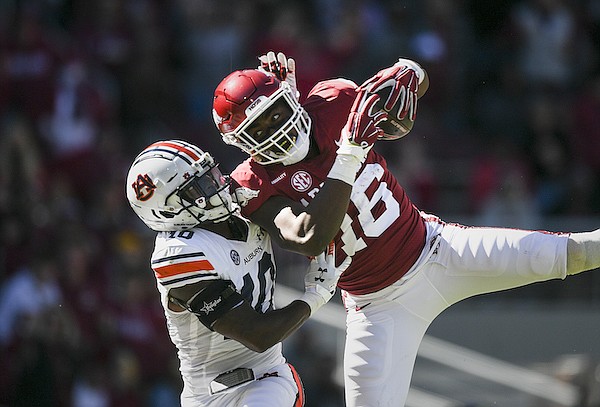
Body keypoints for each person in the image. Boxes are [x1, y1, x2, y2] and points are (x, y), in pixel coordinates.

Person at [211, 52, 600, 406]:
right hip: (376, 306)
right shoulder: (250, 183)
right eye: (258, 128)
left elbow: (412, 79)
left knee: (578, 253)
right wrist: (348, 153)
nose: (274, 130)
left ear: (289, 100)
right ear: (240, 142)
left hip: (438, 248)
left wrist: (408, 78)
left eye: (277, 113)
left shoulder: (332, 103)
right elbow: (310, 235)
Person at [125, 139, 347, 407]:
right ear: (168, 210)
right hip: (210, 396)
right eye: (200, 186)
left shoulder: (241, 200)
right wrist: (316, 295)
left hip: (267, 378)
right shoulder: (179, 252)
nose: (217, 185)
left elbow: (303, 235)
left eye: (211, 174)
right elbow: (257, 335)